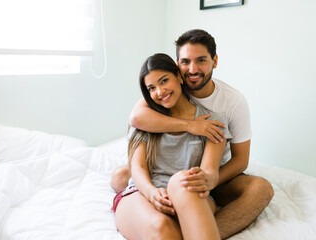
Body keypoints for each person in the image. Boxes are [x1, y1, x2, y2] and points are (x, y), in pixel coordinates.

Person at [111, 29, 274, 239]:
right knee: (160, 224)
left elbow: (234, 162)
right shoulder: (149, 113)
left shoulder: (226, 108)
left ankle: (199, 230)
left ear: (214, 61)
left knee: (184, 181)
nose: (193, 69)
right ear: (179, 67)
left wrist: (208, 180)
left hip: (195, 187)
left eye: (201, 60)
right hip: (150, 191)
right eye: (186, 61)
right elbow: (138, 159)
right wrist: (190, 126)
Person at [114, 53, 232, 240]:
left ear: (178, 76)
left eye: (164, 81)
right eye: (151, 88)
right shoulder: (146, 121)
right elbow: (138, 168)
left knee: (183, 180)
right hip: (144, 193)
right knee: (163, 228)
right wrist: (152, 193)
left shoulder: (213, 121)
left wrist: (206, 179)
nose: (159, 92)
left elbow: (210, 171)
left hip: (189, 193)